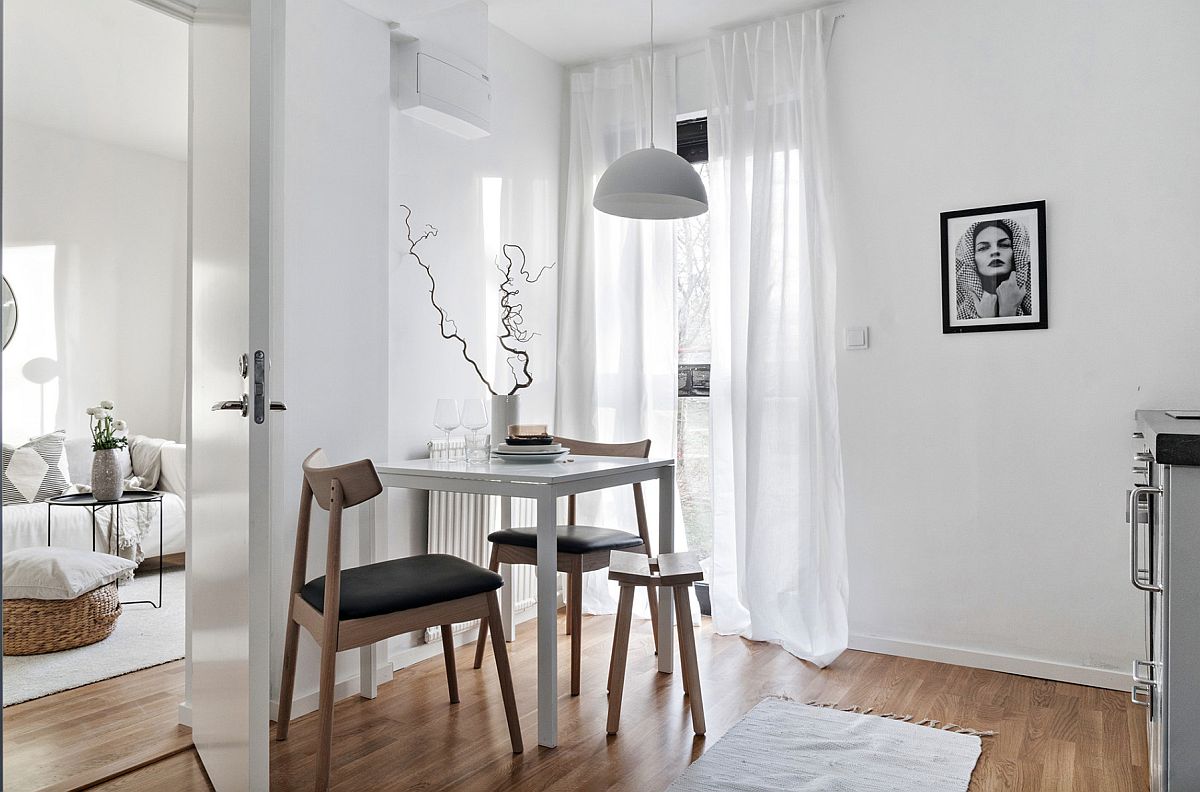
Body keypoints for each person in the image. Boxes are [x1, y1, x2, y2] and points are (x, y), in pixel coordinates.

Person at [955, 219, 1032, 320]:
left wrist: (1008, 311)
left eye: (1004, 245)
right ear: (972, 260)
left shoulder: (1035, 301)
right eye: (983, 248)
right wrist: (985, 318)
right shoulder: (958, 312)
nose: (995, 251)